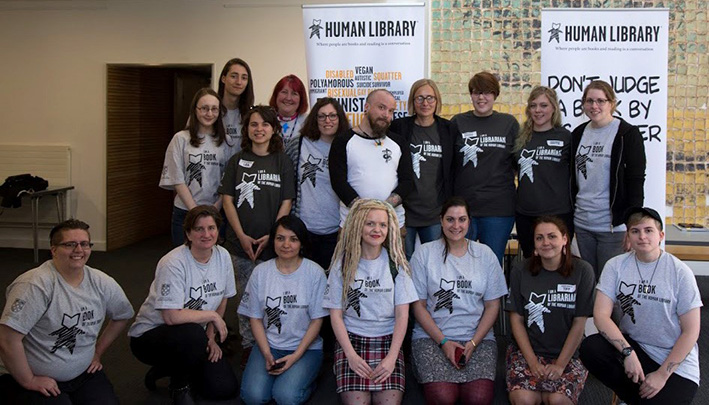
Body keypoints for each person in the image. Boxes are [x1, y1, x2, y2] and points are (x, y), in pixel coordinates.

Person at [0, 219, 134, 404]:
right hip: (32, 376)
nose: (79, 250)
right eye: (70, 244)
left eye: (84, 244)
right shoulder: (34, 285)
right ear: (53, 249)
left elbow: (122, 315)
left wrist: (97, 352)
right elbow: (7, 339)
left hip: (83, 373)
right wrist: (28, 380)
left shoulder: (101, 281)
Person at [579, 207, 702, 405]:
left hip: (674, 359)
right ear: (628, 236)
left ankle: (635, 398)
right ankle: (634, 396)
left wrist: (662, 375)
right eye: (635, 231)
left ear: (661, 235)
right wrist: (628, 352)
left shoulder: (680, 272)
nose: (642, 236)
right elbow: (601, 315)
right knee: (591, 348)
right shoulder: (615, 265)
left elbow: (691, 331)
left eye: (648, 231)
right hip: (635, 348)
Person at [128, 205, 238, 404]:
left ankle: (169, 367)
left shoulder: (223, 256)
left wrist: (210, 338)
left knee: (224, 388)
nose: (206, 234)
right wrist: (212, 318)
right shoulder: (173, 262)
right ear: (188, 233)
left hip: (194, 336)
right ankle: (179, 386)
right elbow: (171, 316)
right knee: (193, 335)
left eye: (211, 228)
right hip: (152, 336)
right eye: (198, 229)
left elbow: (223, 299)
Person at [409, 197, 508, 405]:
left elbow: (493, 306)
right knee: (443, 397)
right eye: (450, 219)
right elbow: (418, 306)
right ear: (441, 221)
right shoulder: (423, 254)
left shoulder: (485, 254)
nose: (456, 226)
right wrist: (443, 341)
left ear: (469, 222)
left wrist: (473, 342)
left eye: (462, 219)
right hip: (432, 338)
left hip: (477, 338)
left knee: (478, 398)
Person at [323, 199, 418, 405]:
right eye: (370, 223)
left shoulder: (397, 264)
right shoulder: (343, 263)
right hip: (352, 341)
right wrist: (350, 355)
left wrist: (392, 357)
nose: (377, 230)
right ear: (358, 225)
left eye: (382, 225)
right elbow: (336, 314)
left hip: (388, 342)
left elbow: (403, 315)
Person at [218, 105, 295, 354]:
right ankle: (249, 346)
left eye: (264, 124)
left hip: (272, 243)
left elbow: (287, 201)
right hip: (239, 243)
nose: (259, 129)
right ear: (246, 129)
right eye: (254, 124)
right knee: (245, 297)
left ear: (273, 129)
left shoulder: (282, 160)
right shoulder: (236, 160)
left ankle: (273, 343)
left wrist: (273, 235)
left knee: (273, 297)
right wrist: (240, 235)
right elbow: (227, 200)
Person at [239, 215, 328, 405]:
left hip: (305, 349)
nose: (286, 244)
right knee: (253, 397)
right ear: (273, 241)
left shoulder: (315, 273)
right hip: (269, 345)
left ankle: (306, 381)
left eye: (293, 239)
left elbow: (317, 321)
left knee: (285, 397)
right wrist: (266, 353)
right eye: (280, 238)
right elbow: (254, 318)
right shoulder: (260, 272)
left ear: (302, 243)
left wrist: (295, 356)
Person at [506, 216, 595, 405]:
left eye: (552, 236)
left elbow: (580, 323)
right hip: (528, 352)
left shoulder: (582, 271)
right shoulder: (520, 270)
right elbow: (516, 320)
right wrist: (532, 362)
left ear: (565, 239)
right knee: (524, 399)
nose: (546, 242)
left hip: (568, 354)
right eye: (539, 238)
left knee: (556, 400)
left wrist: (560, 364)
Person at [572, 79, 646, 279]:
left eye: (600, 101)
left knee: (610, 284)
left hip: (612, 227)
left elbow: (636, 181)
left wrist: (633, 225)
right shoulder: (578, 134)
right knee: (587, 282)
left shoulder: (627, 134)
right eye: (589, 101)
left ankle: (607, 313)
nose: (594, 106)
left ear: (612, 103)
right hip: (582, 223)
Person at [452, 71, 519, 264]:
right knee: (460, 263)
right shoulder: (458, 122)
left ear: (495, 95)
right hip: (464, 210)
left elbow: (517, 164)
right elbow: (449, 165)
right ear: (471, 95)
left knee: (492, 263)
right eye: (476, 92)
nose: (481, 97)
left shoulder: (509, 123)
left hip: (498, 209)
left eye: (487, 92)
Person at [390, 79, 456, 259]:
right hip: (404, 212)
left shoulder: (448, 129)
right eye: (419, 98)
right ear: (412, 101)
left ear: (437, 101)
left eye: (430, 98)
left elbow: (453, 169)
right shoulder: (399, 127)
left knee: (433, 263)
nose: (425, 103)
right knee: (403, 263)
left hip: (435, 213)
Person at [329, 89, 414, 230]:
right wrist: (366, 211)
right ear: (366, 107)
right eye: (381, 107)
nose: (386, 115)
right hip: (353, 225)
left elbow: (407, 182)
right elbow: (338, 182)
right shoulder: (342, 141)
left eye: (391, 111)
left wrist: (384, 208)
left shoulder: (398, 143)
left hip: (392, 225)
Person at [160, 87, 230, 246]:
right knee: (184, 260)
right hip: (185, 212)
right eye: (204, 108)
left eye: (214, 109)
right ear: (195, 110)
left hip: (216, 212)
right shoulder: (180, 139)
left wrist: (214, 209)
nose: (209, 113)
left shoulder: (225, 141)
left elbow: (228, 180)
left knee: (212, 262)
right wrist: (195, 212)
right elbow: (177, 179)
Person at [285, 97, 348, 270]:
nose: (327, 120)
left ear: (340, 118)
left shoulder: (348, 147)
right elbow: (286, 184)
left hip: (337, 231)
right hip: (303, 229)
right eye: (322, 116)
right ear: (315, 119)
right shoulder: (298, 144)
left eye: (333, 116)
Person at [514, 86, 574, 258]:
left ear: (554, 107)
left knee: (560, 263)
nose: (538, 110)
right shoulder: (520, 137)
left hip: (559, 213)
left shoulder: (566, 137)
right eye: (533, 106)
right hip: (526, 213)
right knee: (531, 263)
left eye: (543, 105)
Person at [218, 58, 255, 159]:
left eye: (244, 78)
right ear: (223, 78)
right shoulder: (209, 111)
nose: (239, 82)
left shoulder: (252, 115)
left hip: (241, 171)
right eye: (234, 76)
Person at [270, 74, 309, 148]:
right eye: (284, 92)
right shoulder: (266, 119)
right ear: (276, 95)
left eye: (294, 93)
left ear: (301, 99)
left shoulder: (308, 122)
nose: (288, 98)